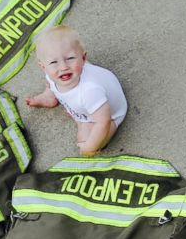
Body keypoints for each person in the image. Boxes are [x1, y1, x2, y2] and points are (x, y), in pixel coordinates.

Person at [25, 25, 128, 157]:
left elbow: (103, 122)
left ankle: (81, 121)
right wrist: (49, 91)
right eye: (53, 62)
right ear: (43, 66)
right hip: (87, 102)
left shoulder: (89, 91)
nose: (63, 67)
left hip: (111, 115)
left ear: (84, 58)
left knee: (84, 140)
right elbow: (51, 79)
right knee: (52, 82)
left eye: (70, 58)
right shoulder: (54, 74)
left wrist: (90, 147)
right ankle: (49, 97)